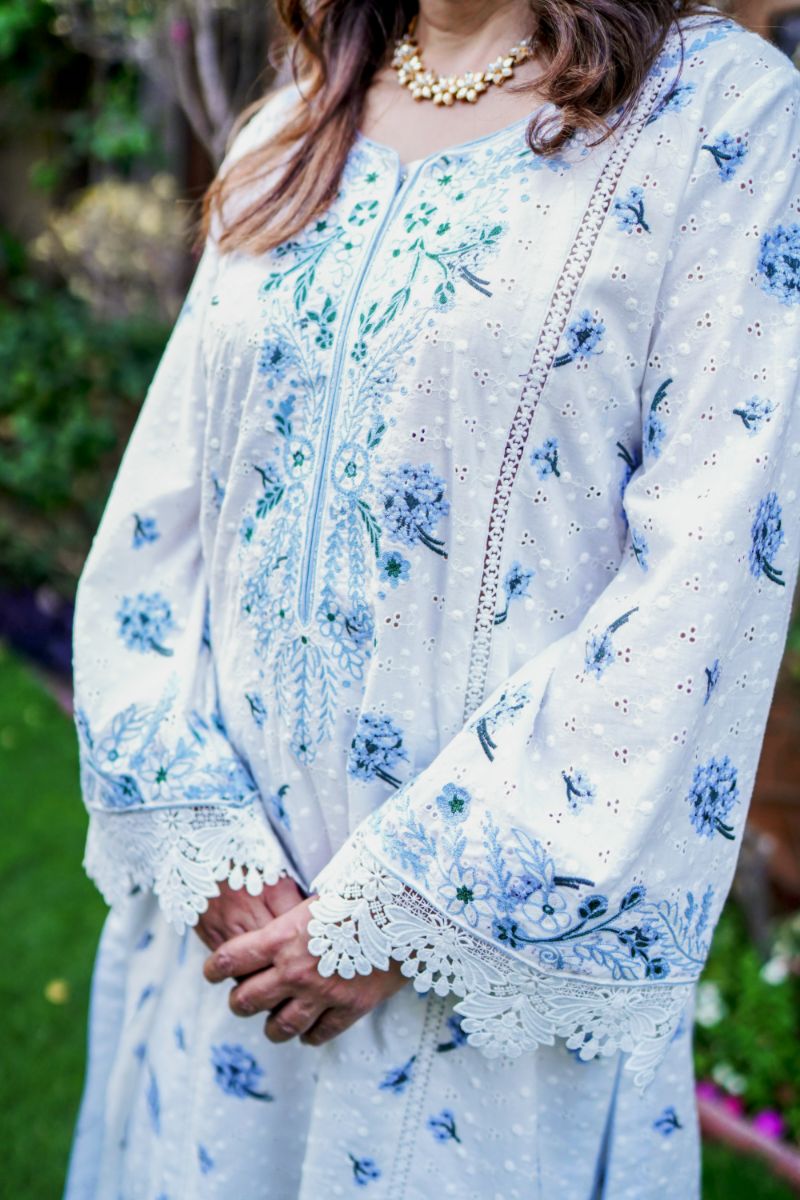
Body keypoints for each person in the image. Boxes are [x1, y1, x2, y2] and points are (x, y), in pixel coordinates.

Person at [65, 1, 800, 1196]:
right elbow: (164, 508)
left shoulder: (719, 115)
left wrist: (402, 910)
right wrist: (202, 840)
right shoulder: (293, 118)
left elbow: (705, 576)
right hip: (225, 944)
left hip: (478, 986)